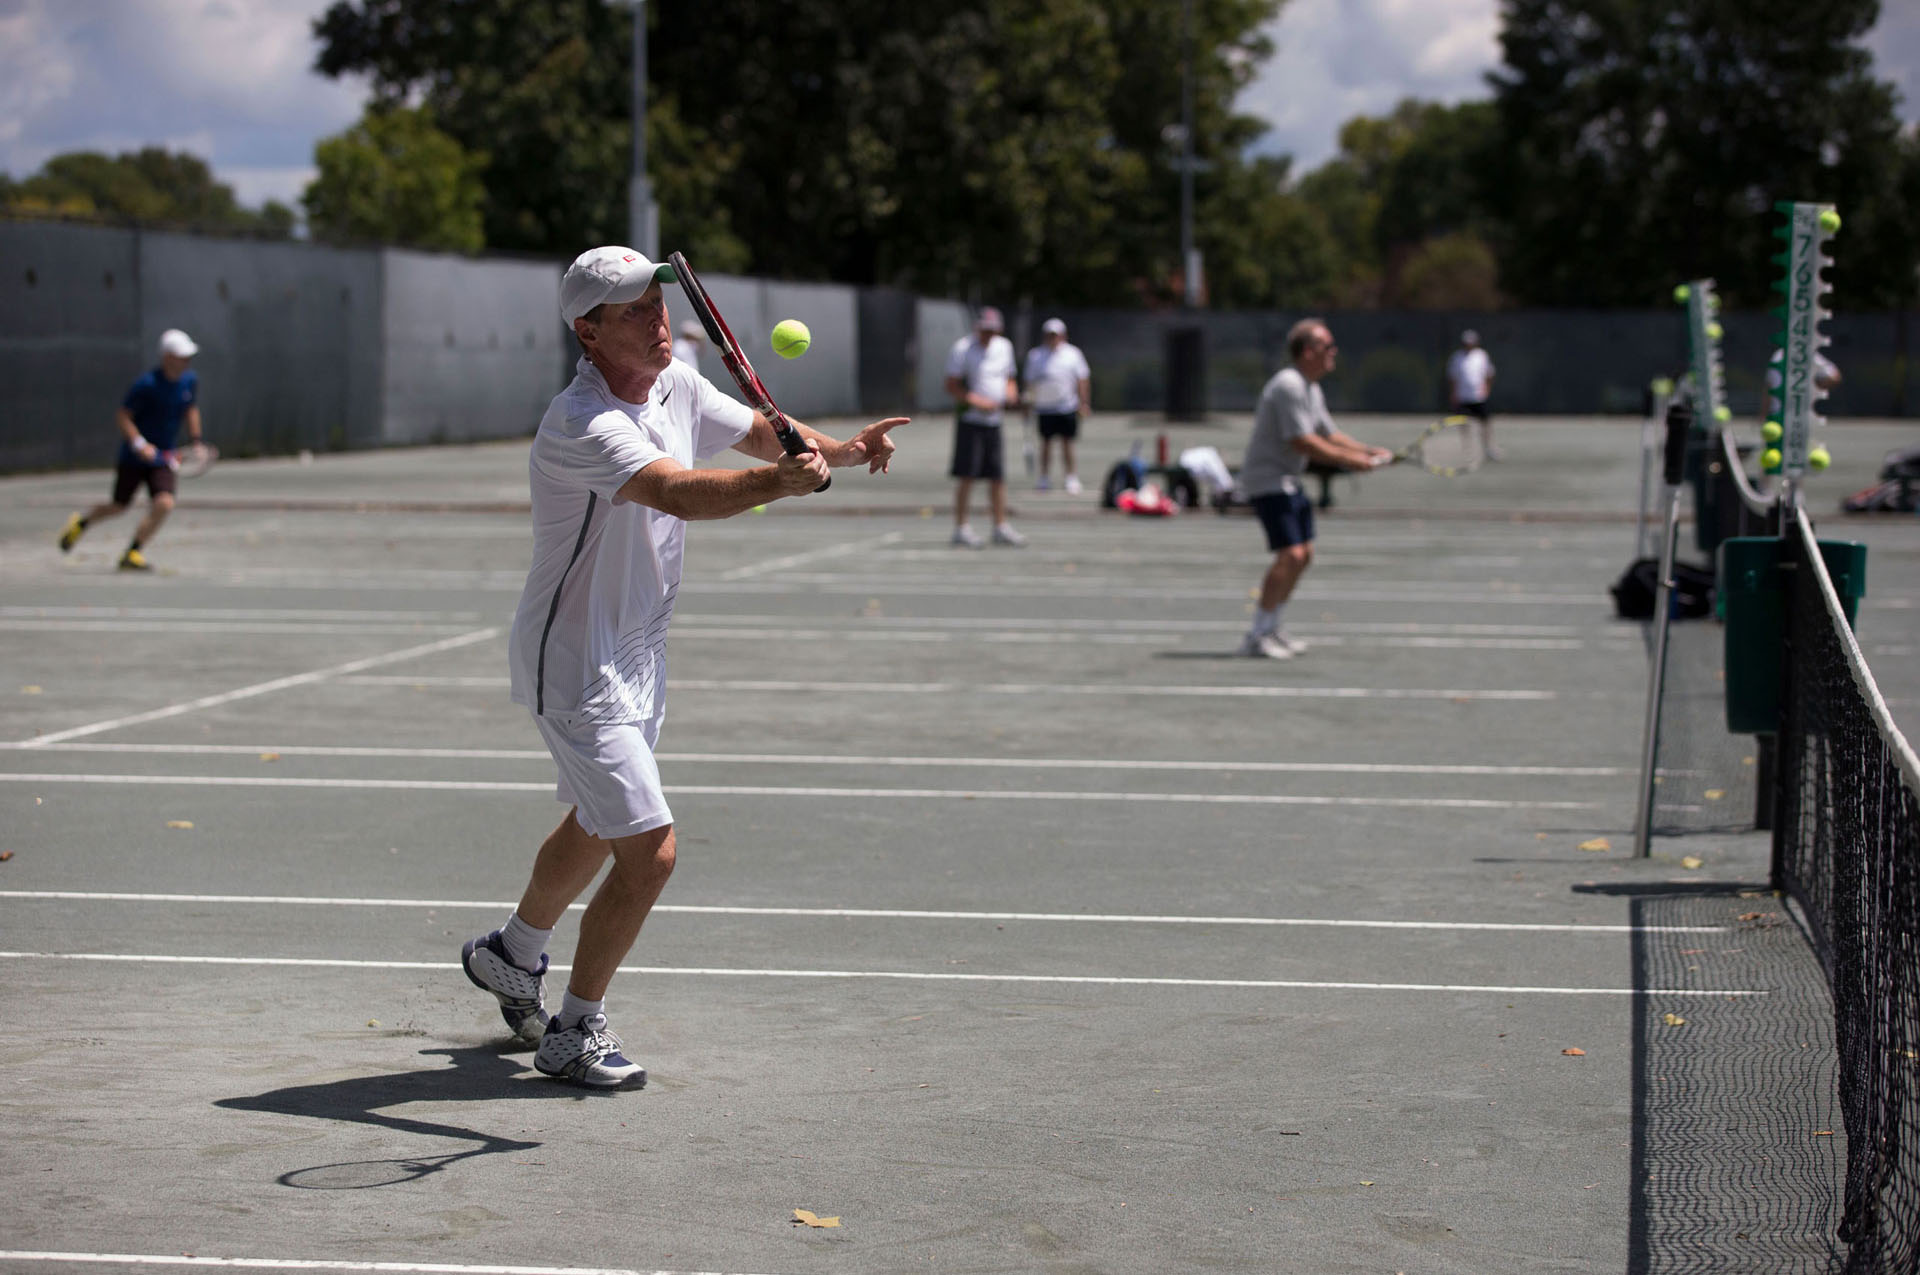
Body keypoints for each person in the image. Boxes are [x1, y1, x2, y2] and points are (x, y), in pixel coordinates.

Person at [461, 245, 907, 1088]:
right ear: (589, 332)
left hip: (637, 652)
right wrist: (778, 483)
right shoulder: (580, 425)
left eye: (657, 302)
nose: (657, 318)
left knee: (598, 823)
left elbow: (763, 432)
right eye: (632, 309)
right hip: (576, 661)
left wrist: (842, 451)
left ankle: (514, 953)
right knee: (651, 851)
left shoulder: (677, 385)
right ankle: (574, 1028)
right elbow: (678, 490)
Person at [1237, 318, 1390, 660]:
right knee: (1290, 554)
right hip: (1268, 480)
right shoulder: (1289, 385)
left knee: (1304, 555)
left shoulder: (1310, 387)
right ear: (1308, 352)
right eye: (1327, 346)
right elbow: (1303, 441)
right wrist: (1350, 462)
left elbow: (1329, 433)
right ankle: (1257, 634)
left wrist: (1366, 451)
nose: (1334, 353)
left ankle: (1273, 625)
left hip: (1288, 479)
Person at [58, 328, 204, 570]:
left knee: (165, 502)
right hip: (134, 458)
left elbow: (191, 409)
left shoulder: (190, 381)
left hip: (162, 457)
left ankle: (133, 552)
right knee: (118, 506)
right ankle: (82, 523)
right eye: (182, 356)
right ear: (167, 357)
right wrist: (139, 444)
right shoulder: (146, 385)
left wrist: (196, 440)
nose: (187, 361)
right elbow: (123, 416)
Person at [944, 305, 1023, 547]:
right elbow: (951, 385)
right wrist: (977, 402)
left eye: (992, 330)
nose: (988, 335)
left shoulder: (1004, 347)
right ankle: (961, 527)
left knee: (997, 477)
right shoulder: (962, 348)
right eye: (985, 330)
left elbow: (1010, 378)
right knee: (967, 476)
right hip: (970, 421)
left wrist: (1011, 394)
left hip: (994, 422)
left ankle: (1000, 526)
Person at [1023, 317, 1091, 494]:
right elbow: (1030, 383)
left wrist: (1083, 403)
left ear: (1063, 335)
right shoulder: (1035, 355)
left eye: (1056, 335)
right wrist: (1027, 406)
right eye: (1050, 335)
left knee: (1067, 443)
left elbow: (1082, 379)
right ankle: (1044, 477)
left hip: (1067, 406)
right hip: (1044, 408)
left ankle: (1071, 477)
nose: (1053, 338)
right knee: (1045, 444)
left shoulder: (1073, 354)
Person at [1446, 329, 1498, 461]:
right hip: (1463, 397)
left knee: (1485, 423)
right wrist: (1454, 394)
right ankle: (1467, 449)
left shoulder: (1482, 355)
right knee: (1464, 423)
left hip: (1478, 396)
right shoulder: (1457, 357)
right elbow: (1452, 377)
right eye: (1466, 343)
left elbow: (1489, 374)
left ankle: (1488, 448)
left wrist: (1487, 389)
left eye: (1471, 342)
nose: (1468, 345)